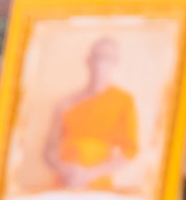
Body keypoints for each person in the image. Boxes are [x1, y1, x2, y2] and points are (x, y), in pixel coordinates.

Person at [43, 36, 138, 192]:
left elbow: (129, 152)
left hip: (99, 187)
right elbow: (49, 151)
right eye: (96, 57)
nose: (100, 64)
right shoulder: (66, 103)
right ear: (88, 61)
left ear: (115, 62)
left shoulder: (123, 101)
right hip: (64, 183)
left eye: (106, 58)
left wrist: (91, 173)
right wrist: (66, 170)